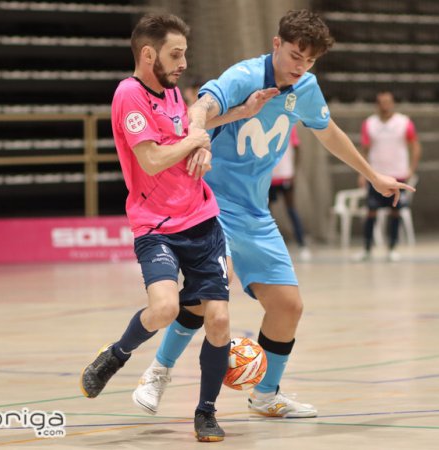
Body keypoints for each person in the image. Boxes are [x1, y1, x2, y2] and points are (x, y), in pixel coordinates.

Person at [132, 9, 413, 419]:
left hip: (255, 213)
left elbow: (328, 131)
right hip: (211, 205)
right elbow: (199, 108)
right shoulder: (244, 76)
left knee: (287, 306)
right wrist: (198, 140)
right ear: (277, 44)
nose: (301, 67)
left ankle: (265, 395)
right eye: (296, 56)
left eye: (310, 61)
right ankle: (158, 371)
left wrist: (372, 175)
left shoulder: (306, 88)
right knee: (211, 290)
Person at [79, 13, 249, 442]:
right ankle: (117, 353)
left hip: (202, 220)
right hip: (155, 224)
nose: (183, 63)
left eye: (184, 54)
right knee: (164, 310)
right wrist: (195, 142)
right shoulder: (129, 95)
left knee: (219, 320)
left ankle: (205, 412)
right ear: (148, 54)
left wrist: (214, 135)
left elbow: (189, 129)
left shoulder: (172, 91)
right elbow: (152, 160)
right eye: (175, 55)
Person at [356, 91, 421, 262]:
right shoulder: (369, 124)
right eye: (381, 102)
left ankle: (392, 248)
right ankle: (367, 248)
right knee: (371, 211)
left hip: (398, 175)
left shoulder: (404, 122)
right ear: (377, 105)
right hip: (376, 176)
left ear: (393, 104)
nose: (385, 105)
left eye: (388, 102)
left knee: (395, 211)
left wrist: (411, 169)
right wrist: (362, 173)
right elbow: (364, 150)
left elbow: (415, 146)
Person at [268, 125, 311, 261]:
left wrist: (294, 172)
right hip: (268, 177)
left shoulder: (289, 125)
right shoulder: (264, 124)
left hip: (286, 174)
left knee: (291, 210)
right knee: (266, 213)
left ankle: (302, 245)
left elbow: (297, 148)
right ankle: (269, 247)